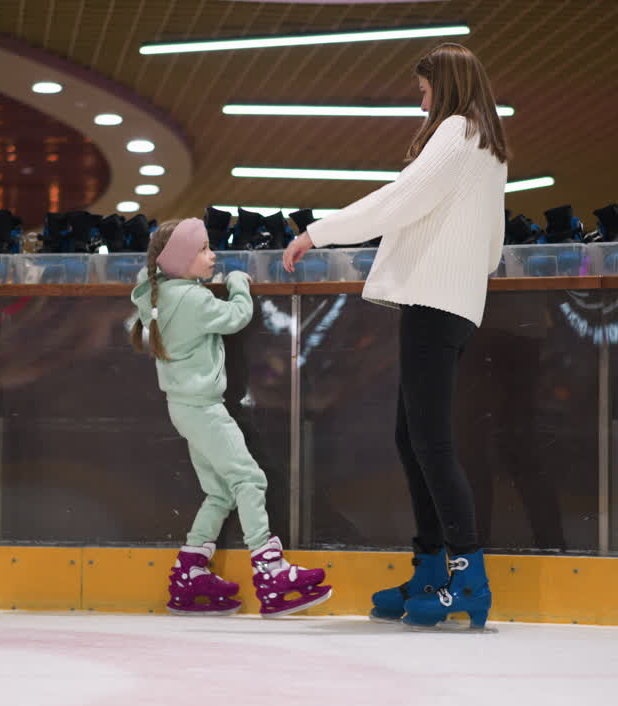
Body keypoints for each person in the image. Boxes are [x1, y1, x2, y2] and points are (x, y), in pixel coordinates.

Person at [282, 43, 509, 630]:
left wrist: (318, 232)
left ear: (446, 87)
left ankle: (469, 577)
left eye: (424, 90)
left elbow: (400, 200)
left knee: (428, 442)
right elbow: (491, 247)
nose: (422, 101)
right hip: (454, 305)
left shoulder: (457, 131)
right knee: (413, 438)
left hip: (435, 303)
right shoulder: (488, 146)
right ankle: (433, 569)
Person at [131, 218, 331, 618]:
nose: (213, 255)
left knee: (220, 492)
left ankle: (190, 572)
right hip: (204, 409)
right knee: (248, 479)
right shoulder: (194, 301)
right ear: (182, 261)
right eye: (204, 250)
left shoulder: (161, 295)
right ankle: (270, 574)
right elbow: (237, 316)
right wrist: (240, 281)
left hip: (184, 408)